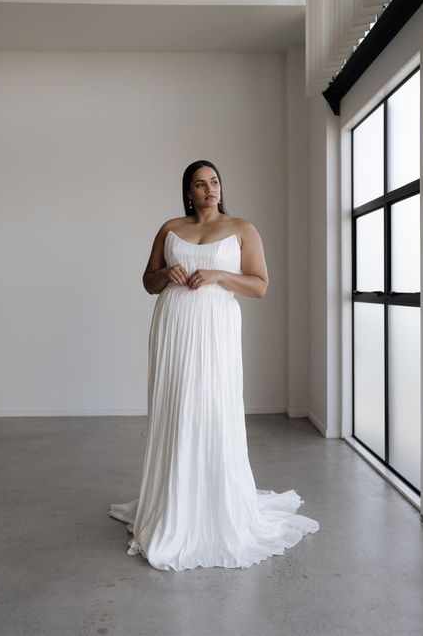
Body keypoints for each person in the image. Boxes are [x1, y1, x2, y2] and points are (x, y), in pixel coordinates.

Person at [109, 160, 320, 571]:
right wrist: (166, 273)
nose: (210, 190)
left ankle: (214, 507)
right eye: (201, 184)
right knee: (177, 407)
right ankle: (174, 505)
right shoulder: (170, 228)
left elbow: (260, 286)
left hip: (215, 330)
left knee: (213, 407)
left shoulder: (242, 228)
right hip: (174, 328)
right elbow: (147, 282)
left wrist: (220, 274)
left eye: (215, 182)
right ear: (188, 192)